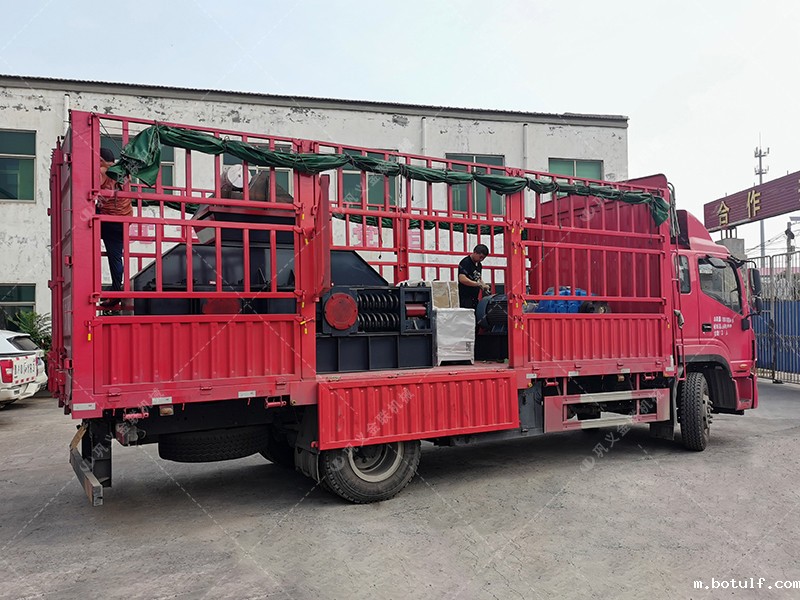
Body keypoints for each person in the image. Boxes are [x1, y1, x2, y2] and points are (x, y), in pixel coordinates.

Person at [96, 147, 129, 308]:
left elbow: (87, 190)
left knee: (84, 229)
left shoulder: (102, 171)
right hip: (124, 219)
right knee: (115, 256)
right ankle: (116, 289)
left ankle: (113, 289)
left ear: (101, 160)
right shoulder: (121, 171)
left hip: (110, 220)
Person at [458, 244, 490, 310]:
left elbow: (478, 278)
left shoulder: (479, 265)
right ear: (475, 252)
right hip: (465, 297)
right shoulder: (465, 262)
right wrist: (477, 284)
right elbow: (462, 279)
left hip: (474, 297)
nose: (481, 259)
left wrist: (483, 285)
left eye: (483, 258)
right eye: (480, 257)